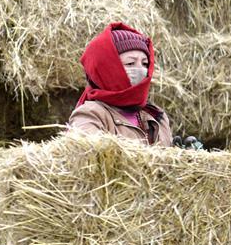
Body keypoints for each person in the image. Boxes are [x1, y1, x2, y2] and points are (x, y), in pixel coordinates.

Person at [66, 22, 203, 150]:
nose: (141, 71)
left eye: (144, 64)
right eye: (130, 64)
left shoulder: (156, 117)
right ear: (107, 69)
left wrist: (185, 157)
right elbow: (90, 160)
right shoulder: (91, 114)